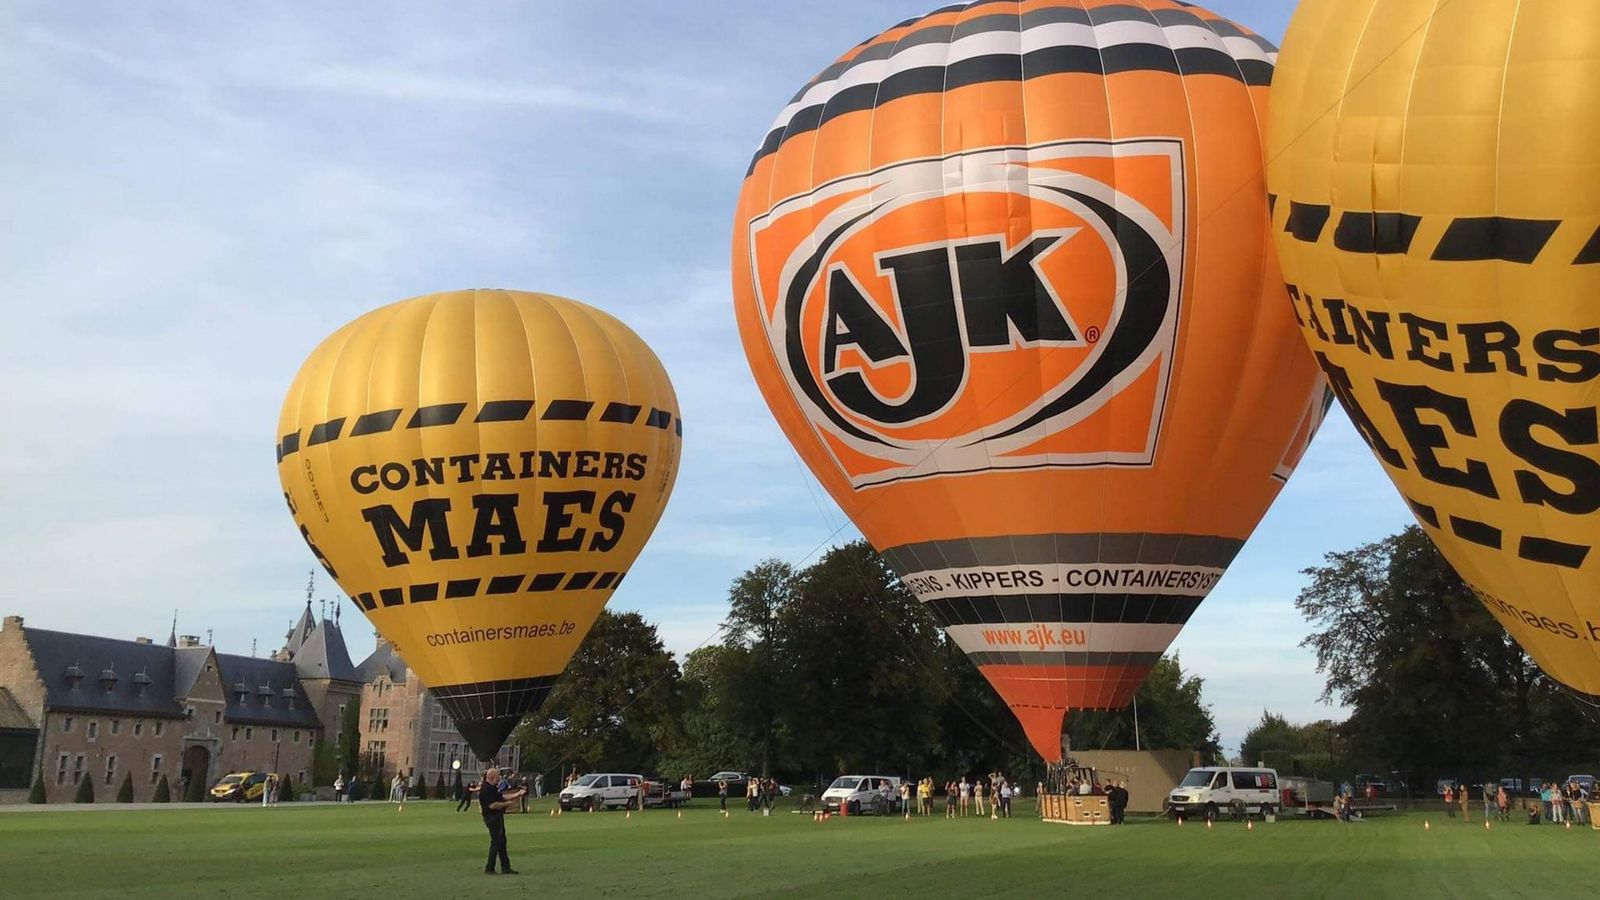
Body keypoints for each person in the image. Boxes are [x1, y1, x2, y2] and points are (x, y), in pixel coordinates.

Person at [478, 767, 521, 875]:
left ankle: (505, 867)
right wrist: (507, 804)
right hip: (492, 818)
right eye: (498, 776)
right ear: (492, 777)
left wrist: (517, 794)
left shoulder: (492, 787)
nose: (500, 778)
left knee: (501, 842)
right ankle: (490, 868)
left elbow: (501, 796)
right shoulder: (486, 788)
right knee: (496, 842)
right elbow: (493, 805)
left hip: (497, 817)